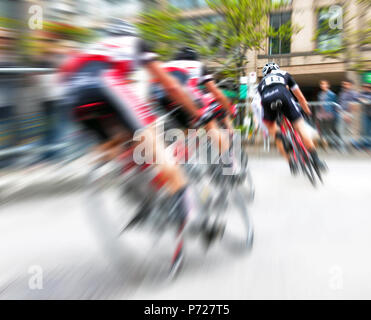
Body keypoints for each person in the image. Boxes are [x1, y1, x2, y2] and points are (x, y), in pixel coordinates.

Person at [58, 20, 223, 243]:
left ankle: (139, 197)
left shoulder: (92, 48)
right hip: (104, 85)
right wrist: (194, 112)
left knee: (122, 149)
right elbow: (172, 87)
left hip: (74, 100)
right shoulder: (134, 43)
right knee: (155, 145)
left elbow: (62, 78)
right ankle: (192, 216)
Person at [255, 62, 325, 174]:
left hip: (266, 99)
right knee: (300, 128)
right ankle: (316, 160)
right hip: (283, 96)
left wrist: (265, 124)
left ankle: (285, 149)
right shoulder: (284, 74)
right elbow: (300, 97)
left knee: (273, 128)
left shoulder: (261, 83)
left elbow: (258, 105)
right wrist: (307, 111)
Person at [317, 80, 342, 148]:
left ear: (328, 85)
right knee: (324, 129)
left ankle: (338, 143)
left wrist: (335, 113)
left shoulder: (332, 94)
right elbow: (320, 105)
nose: (323, 86)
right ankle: (327, 143)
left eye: (324, 84)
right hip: (322, 115)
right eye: (321, 84)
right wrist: (319, 114)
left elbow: (335, 104)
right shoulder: (320, 94)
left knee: (333, 129)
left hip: (331, 114)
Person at [338, 79, 359, 148]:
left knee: (350, 130)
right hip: (342, 113)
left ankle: (351, 145)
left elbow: (355, 104)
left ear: (350, 85)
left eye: (346, 84)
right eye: (344, 84)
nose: (344, 85)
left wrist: (348, 114)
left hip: (349, 114)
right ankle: (343, 145)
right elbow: (340, 103)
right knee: (341, 129)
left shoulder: (354, 93)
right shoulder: (342, 93)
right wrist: (340, 111)